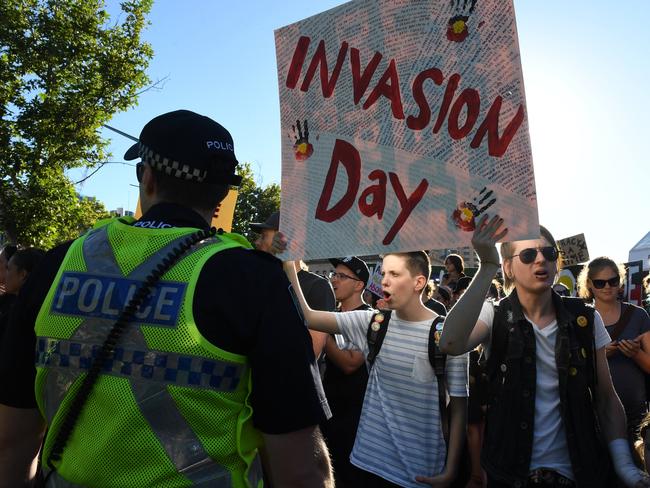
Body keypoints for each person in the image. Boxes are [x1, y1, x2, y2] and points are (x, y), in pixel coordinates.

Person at [0, 110, 333, 488]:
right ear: (223, 194)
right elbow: (301, 470)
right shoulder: (254, 280)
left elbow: (12, 443)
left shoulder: (60, 265)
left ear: (148, 177)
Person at [440, 216, 650, 488]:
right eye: (527, 255)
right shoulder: (494, 314)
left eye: (548, 253)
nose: (540, 260)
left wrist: (625, 466)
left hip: (580, 472)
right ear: (509, 268)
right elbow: (451, 343)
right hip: (510, 475)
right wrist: (487, 267)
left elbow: (606, 398)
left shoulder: (584, 318)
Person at [277, 240, 468, 488]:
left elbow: (460, 408)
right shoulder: (374, 322)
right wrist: (291, 266)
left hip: (419, 473)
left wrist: (451, 471)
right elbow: (310, 316)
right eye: (384, 273)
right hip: (365, 464)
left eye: (395, 274)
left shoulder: (447, 335)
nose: (384, 282)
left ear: (418, 283)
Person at [577, 257, 650, 448]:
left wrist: (635, 353)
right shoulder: (581, 320)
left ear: (620, 282)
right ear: (590, 285)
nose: (607, 287)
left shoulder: (638, 315)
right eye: (600, 283)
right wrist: (599, 356)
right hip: (596, 414)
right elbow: (573, 369)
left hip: (637, 414)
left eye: (613, 281)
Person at [249, 211, 335, 357]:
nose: (257, 242)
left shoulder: (318, 287)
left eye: (264, 236)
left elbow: (311, 351)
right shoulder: (259, 282)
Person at [321, 256, 372, 487]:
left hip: (355, 417)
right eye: (334, 275)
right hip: (329, 411)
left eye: (342, 276)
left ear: (359, 285)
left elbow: (350, 363)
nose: (334, 280)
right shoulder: (331, 314)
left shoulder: (370, 318)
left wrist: (322, 334)